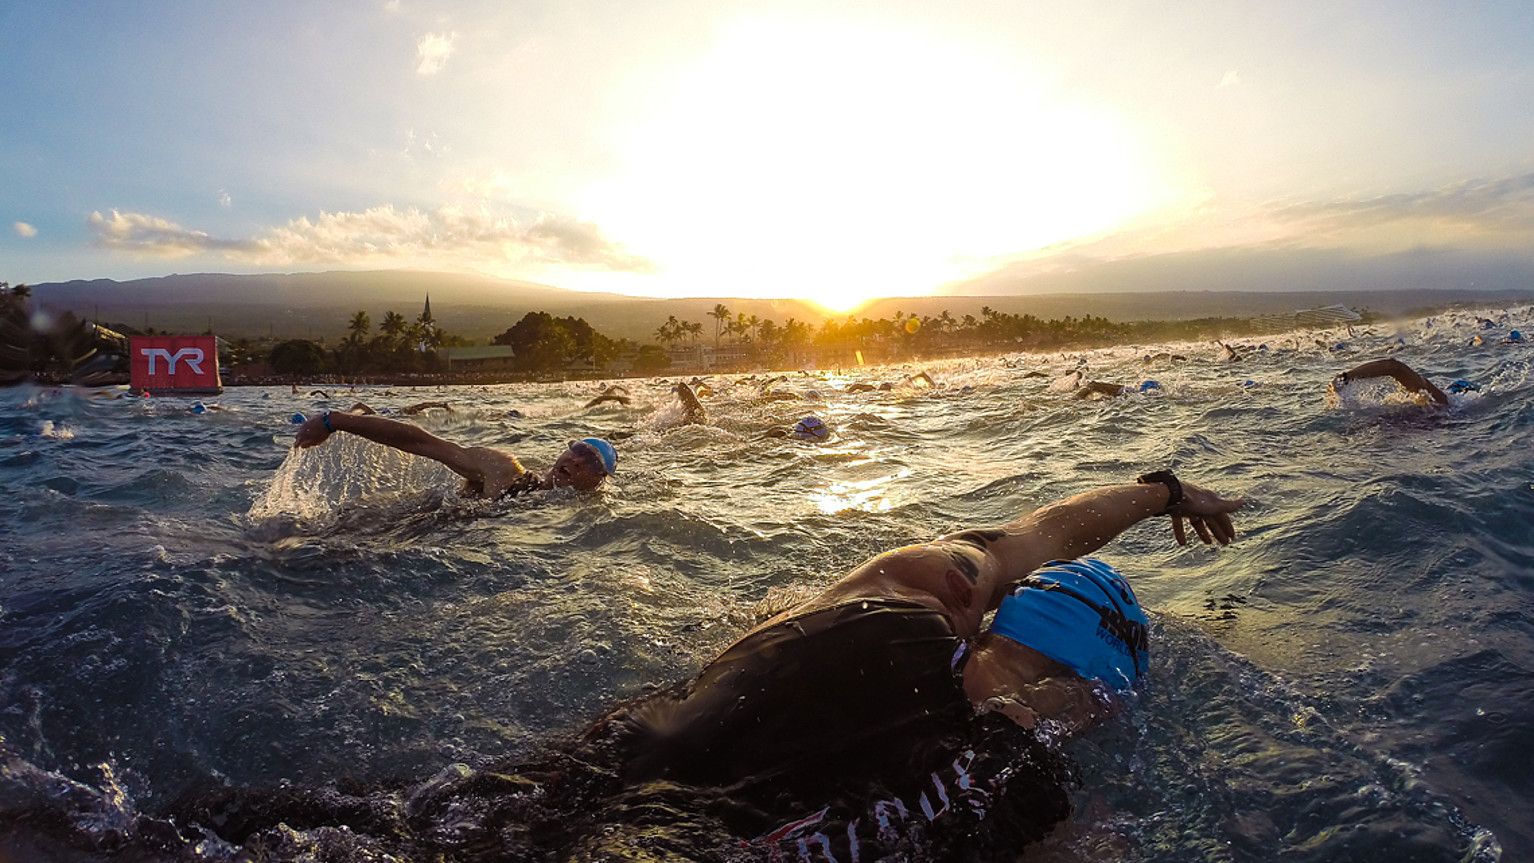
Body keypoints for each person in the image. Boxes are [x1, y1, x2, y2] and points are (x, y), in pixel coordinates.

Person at [578, 470, 1242, 855]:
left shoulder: (910, 589)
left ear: (992, 617)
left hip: (605, 757)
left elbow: (1042, 531)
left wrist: (1167, 491)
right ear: (1096, 694)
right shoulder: (1011, 771)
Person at [293, 409, 617, 498]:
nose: (576, 461)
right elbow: (424, 443)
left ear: (598, 482)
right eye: (577, 451)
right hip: (411, 531)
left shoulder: (577, 518)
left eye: (589, 462)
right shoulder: (505, 470)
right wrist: (335, 421)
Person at [1329, 358, 1449, 407]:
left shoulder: (1440, 402)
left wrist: (1345, 377)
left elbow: (1394, 367)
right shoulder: (1439, 401)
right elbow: (1394, 367)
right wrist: (1345, 377)